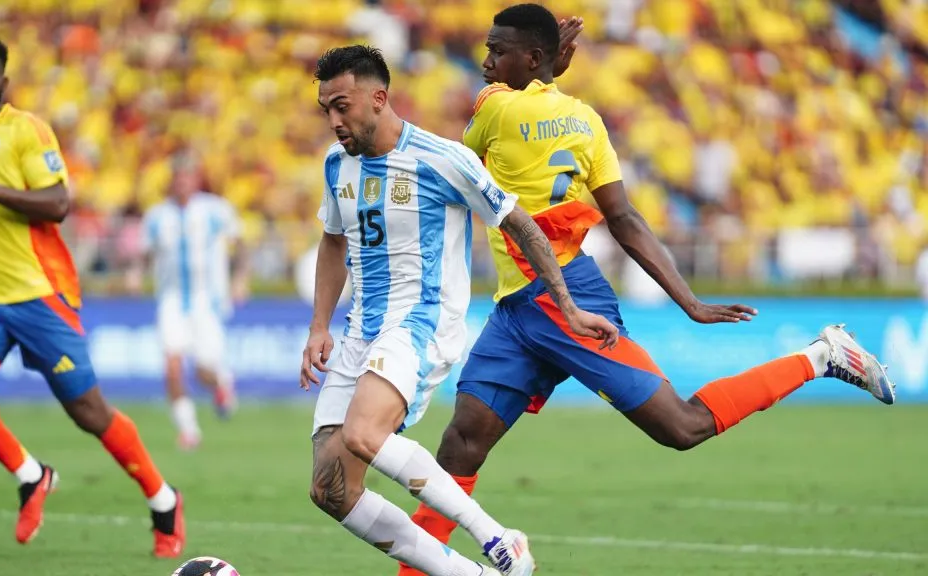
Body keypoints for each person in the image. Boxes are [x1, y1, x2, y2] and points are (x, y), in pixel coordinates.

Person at [398, 6, 897, 575]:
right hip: (521, 309)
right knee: (460, 445)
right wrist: (688, 300)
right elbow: (624, 216)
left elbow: (492, 143)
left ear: (533, 58)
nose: (485, 63)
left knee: (682, 427)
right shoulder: (587, 121)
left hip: (564, 303)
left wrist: (543, 75)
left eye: (497, 50)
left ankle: (822, 356)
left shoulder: (492, 105)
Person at [300, 45, 619, 576]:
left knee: (363, 434)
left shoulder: (441, 158)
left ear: (378, 99)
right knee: (331, 488)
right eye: (325, 109)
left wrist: (567, 305)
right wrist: (318, 327)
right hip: (361, 330)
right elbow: (334, 242)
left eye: (341, 106)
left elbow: (520, 223)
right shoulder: (338, 167)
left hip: (420, 320)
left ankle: (495, 538)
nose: (334, 120)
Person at [0, 34, 185, 558]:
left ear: (3, 80)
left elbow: (58, 203)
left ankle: (162, 499)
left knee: (88, 411)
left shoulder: (27, 130)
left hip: (39, 293)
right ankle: (31, 475)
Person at [133, 154, 246, 450]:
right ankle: (189, 430)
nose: (182, 182)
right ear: (172, 181)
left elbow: (241, 242)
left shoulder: (215, 210)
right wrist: (135, 274)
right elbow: (146, 253)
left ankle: (221, 384)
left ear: (195, 179)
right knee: (171, 363)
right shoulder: (157, 216)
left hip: (206, 301)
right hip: (170, 300)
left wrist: (240, 278)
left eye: (188, 177)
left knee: (203, 368)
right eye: (178, 177)